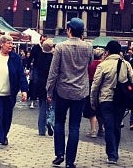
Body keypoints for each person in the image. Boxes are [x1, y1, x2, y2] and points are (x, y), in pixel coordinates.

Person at [46, 18, 93, 168]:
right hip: (80, 91)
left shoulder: (60, 47)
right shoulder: (88, 47)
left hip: (63, 90)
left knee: (59, 122)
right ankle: (70, 161)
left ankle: (60, 154)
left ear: (69, 30)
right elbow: (90, 63)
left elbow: (53, 72)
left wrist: (49, 90)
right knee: (75, 126)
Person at [90, 40, 133, 164]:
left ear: (107, 51)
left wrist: (93, 101)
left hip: (106, 100)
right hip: (121, 99)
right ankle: (115, 151)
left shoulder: (102, 65)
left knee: (109, 126)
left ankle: (112, 154)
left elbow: (95, 86)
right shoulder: (126, 64)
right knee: (117, 126)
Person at [35, 39, 54, 136]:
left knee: (42, 108)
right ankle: (50, 120)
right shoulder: (53, 58)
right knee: (52, 106)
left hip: (40, 85)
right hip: (51, 85)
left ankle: (41, 130)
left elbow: (36, 72)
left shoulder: (39, 57)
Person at [83, 48, 104, 138]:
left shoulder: (89, 64)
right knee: (101, 108)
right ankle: (101, 128)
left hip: (90, 86)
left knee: (92, 110)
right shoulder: (103, 64)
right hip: (101, 87)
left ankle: (93, 130)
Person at [28, 35, 47, 108]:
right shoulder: (35, 48)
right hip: (36, 68)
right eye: (42, 40)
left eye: (44, 40)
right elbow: (30, 58)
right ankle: (33, 101)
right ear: (40, 40)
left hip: (44, 69)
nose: (43, 42)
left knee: (43, 83)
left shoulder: (47, 48)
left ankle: (41, 99)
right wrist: (28, 67)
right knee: (35, 83)